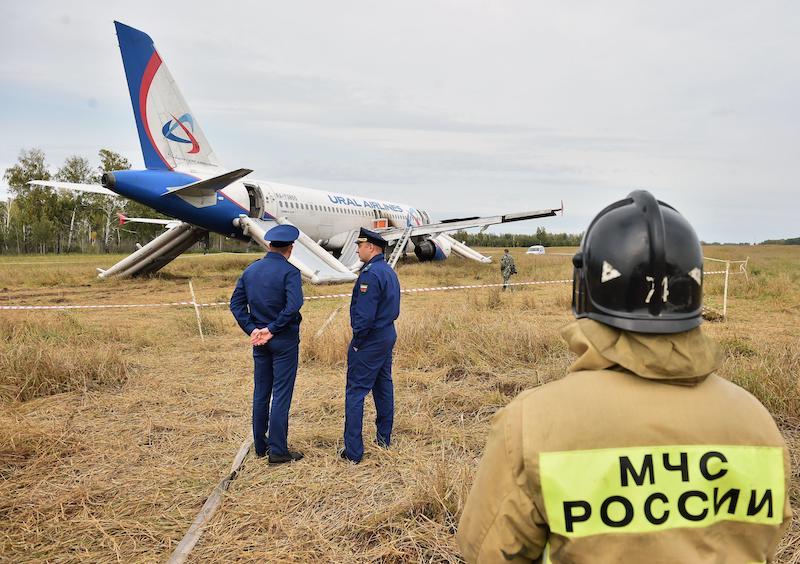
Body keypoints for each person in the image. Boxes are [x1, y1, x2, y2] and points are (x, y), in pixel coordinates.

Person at [457, 191, 791, 562]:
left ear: (585, 287)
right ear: (691, 291)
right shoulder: (757, 422)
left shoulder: (532, 423)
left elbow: (487, 553)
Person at [230, 224, 305, 464]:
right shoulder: (290, 273)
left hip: (259, 341)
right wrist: (272, 329)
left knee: (261, 393)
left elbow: (236, 305)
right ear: (290, 248)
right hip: (282, 340)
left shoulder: (251, 271)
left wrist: (253, 329)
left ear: (269, 245)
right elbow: (293, 306)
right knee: (281, 394)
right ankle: (278, 450)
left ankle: (261, 446)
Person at [341, 228, 401, 463]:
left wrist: (358, 342)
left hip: (371, 338)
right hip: (386, 334)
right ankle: (384, 439)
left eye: (360, 246)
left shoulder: (371, 274)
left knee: (355, 391)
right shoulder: (388, 271)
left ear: (371, 248)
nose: (357, 249)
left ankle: (353, 452)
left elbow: (364, 315)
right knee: (383, 385)